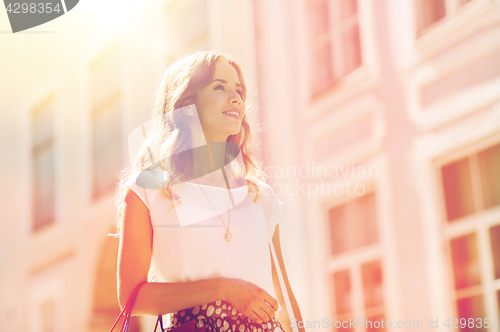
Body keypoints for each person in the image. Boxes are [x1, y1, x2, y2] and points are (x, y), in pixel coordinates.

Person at [114, 50, 305, 332]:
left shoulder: (260, 197)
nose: (236, 98)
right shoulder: (149, 190)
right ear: (187, 101)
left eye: (239, 91)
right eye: (220, 87)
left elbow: (284, 301)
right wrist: (223, 290)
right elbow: (131, 297)